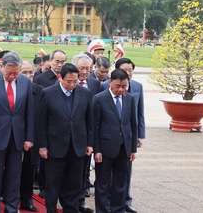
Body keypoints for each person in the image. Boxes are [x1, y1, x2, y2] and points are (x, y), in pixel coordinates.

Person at [0, 51, 34, 213]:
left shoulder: (25, 82)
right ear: (1, 67)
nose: (12, 76)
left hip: (18, 137)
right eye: (9, 73)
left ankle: (11, 207)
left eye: (15, 73)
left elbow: (29, 112)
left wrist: (29, 137)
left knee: (14, 176)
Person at [37, 63, 93, 213]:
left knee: (74, 184)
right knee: (53, 184)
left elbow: (90, 121)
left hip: (77, 147)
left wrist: (90, 143)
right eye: (69, 81)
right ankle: (51, 210)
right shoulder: (48, 93)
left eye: (75, 81)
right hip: (55, 147)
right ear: (61, 78)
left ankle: (71, 209)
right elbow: (41, 122)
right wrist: (42, 146)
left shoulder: (84, 93)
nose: (72, 85)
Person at [93, 69, 137, 213]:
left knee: (120, 182)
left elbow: (132, 124)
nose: (121, 89)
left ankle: (118, 209)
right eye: (118, 86)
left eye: (124, 86)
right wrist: (97, 150)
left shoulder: (130, 99)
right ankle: (102, 210)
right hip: (105, 148)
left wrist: (132, 149)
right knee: (103, 183)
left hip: (124, 146)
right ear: (110, 82)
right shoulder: (99, 99)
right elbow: (95, 126)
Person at [114, 58, 145, 213]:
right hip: (112, 137)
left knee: (126, 170)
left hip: (129, 136)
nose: (128, 73)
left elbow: (140, 113)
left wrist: (140, 135)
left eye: (130, 70)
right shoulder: (108, 86)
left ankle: (126, 200)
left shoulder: (138, 87)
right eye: (125, 70)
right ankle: (110, 200)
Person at [73, 53, 101, 213]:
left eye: (88, 68)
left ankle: (81, 200)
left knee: (84, 170)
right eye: (81, 68)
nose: (85, 71)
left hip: (87, 134)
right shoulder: (68, 82)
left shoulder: (94, 84)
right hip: (70, 135)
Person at [19, 60, 43, 212]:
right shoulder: (13, 89)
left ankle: (27, 200)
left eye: (31, 72)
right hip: (13, 137)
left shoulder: (40, 91)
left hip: (32, 138)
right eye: (24, 72)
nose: (28, 76)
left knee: (29, 171)